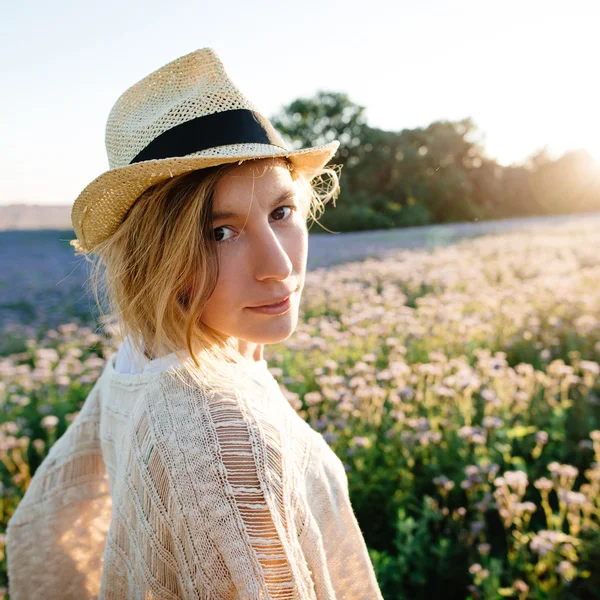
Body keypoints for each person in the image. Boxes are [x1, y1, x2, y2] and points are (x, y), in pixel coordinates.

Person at [5, 47, 384, 599]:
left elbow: (40, 522)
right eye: (219, 233)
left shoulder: (139, 364)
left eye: (281, 213)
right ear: (155, 258)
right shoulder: (223, 445)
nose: (279, 267)